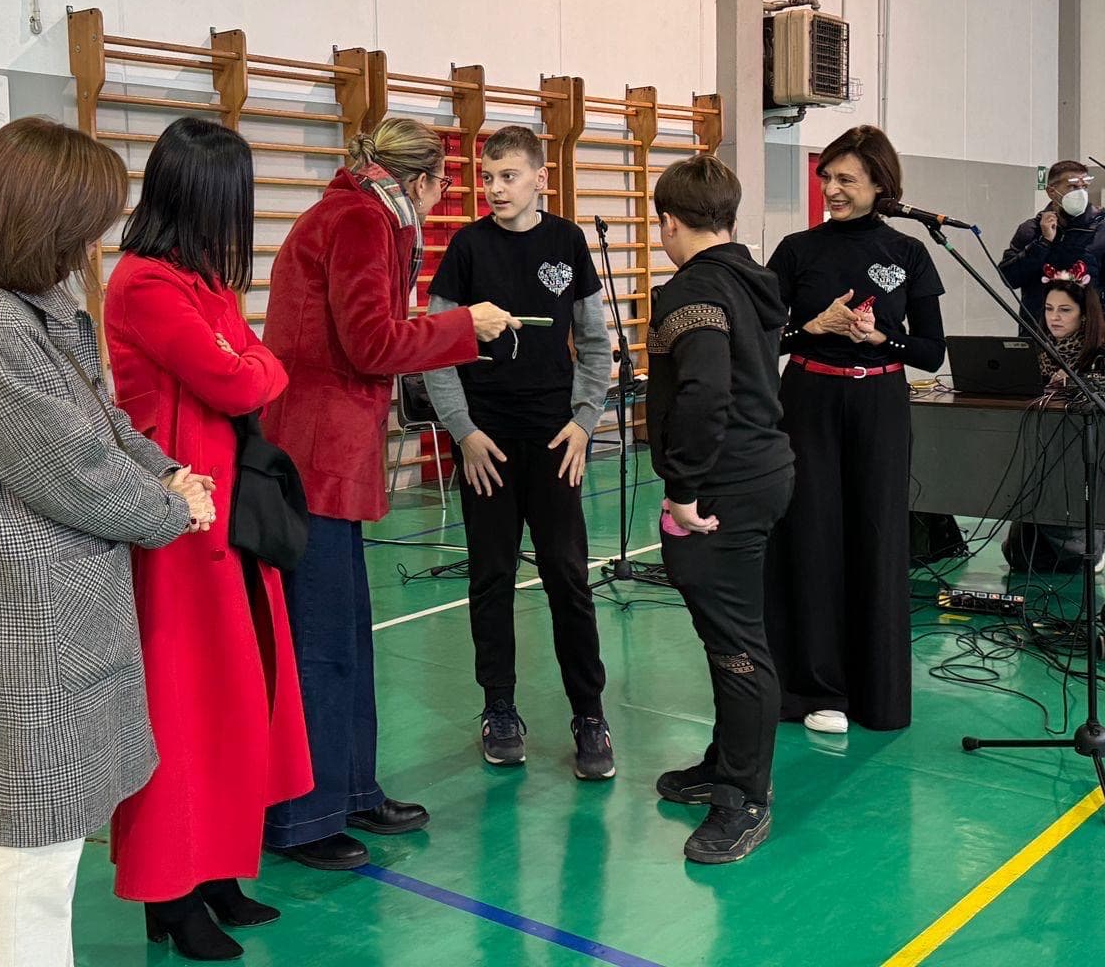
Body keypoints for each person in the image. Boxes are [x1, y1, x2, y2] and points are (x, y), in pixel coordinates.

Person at [0, 115, 215, 967]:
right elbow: (72, 468)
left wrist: (169, 473)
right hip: (28, 630)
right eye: (87, 220)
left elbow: (105, 424)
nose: (98, 240)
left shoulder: (40, 310)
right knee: (32, 861)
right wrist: (170, 506)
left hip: (66, 619)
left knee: (49, 851)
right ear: (42, 219)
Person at [261, 117, 518, 870]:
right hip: (315, 453)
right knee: (321, 643)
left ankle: (350, 787)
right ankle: (307, 816)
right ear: (421, 180)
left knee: (345, 636)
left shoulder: (363, 214)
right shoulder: (359, 220)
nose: (442, 205)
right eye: (443, 188)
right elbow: (371, 343)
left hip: (329, 447)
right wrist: (462, 326)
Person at [104, 118, 313, 961]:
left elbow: (260, 363)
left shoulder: (199, 284)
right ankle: (170, 890)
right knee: (183, 708)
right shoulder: (147, 285)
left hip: (227, 521)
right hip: (177, 529)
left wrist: (249, 363)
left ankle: (219, 871)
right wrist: (249, 363)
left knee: (240, 698)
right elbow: (241, 372)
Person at [421, 125, 613, 779]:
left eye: (509, 176)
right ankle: (498, 707)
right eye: (488, 177)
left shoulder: (567, 243)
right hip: (486, 445)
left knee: (568, 574)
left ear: (539, 179)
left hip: (556, 441)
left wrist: (585, 422)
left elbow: (594, 345)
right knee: (492, 576)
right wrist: (464, 431)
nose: (496, 188)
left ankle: (589, 713)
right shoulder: (467, 248)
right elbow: (436, 347)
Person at [764, 125, 946, 735]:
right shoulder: (796, 250)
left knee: (879, 536)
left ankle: (879, 692)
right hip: (809, 399)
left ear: (878, 185)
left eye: (847, 179)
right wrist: (813, 325)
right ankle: (817, 688)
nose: (832, 189)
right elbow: (764, 339)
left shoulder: (909, 252)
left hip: (881, 403)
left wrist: (878, 338)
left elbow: (929, 350)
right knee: (812, 539)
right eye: (827, 177)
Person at [646, 154, 795, 865]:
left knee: (737, 644)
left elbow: (704, 393)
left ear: (670, 222)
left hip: (722, 486)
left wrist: (682, 487)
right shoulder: (750, 279)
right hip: (759, 469)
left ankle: (745, 796)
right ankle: (725, 761)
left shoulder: (693, 291)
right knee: (726, 635)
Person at [1002, 267, 1105, 577]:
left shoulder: (1103, 356)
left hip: (1076, 454)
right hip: (1038, 447)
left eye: (1065, 310)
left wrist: (1076, 382)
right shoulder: (1037, 351)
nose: (1054, 317)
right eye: (1049, 309)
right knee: (1019, 555)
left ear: (1084, 315)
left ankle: (1087, 546)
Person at [998, 160, 1105, 332]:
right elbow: (1010, 278)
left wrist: (1104, 321)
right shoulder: (1030, 230)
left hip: (1087, 337)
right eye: (1073, 187)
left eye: (1084, 187)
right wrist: (1043, 243)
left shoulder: (1104, 231)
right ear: (1052, 192)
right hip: (1039, 334)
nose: (1081, 193)